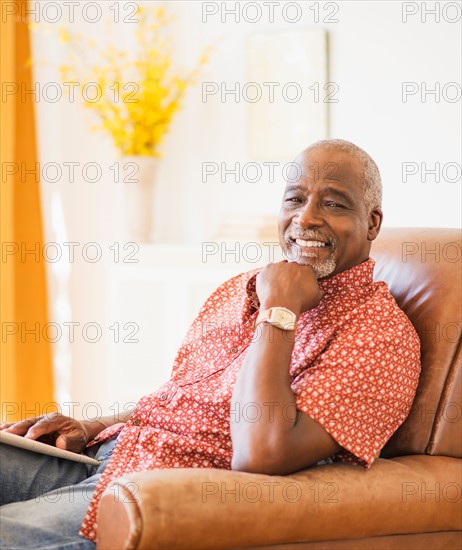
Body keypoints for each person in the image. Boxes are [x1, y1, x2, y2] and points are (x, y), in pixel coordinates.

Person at [0, 139, 421, 549]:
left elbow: (262, 454)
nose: (306, 218)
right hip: (105, 451)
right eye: (294, 199)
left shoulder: (380, 335)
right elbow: (182, 396)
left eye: (334, 203)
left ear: (372, 222)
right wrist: (92, 425)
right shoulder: (239, 289)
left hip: (157, 489)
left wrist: (279, 312)